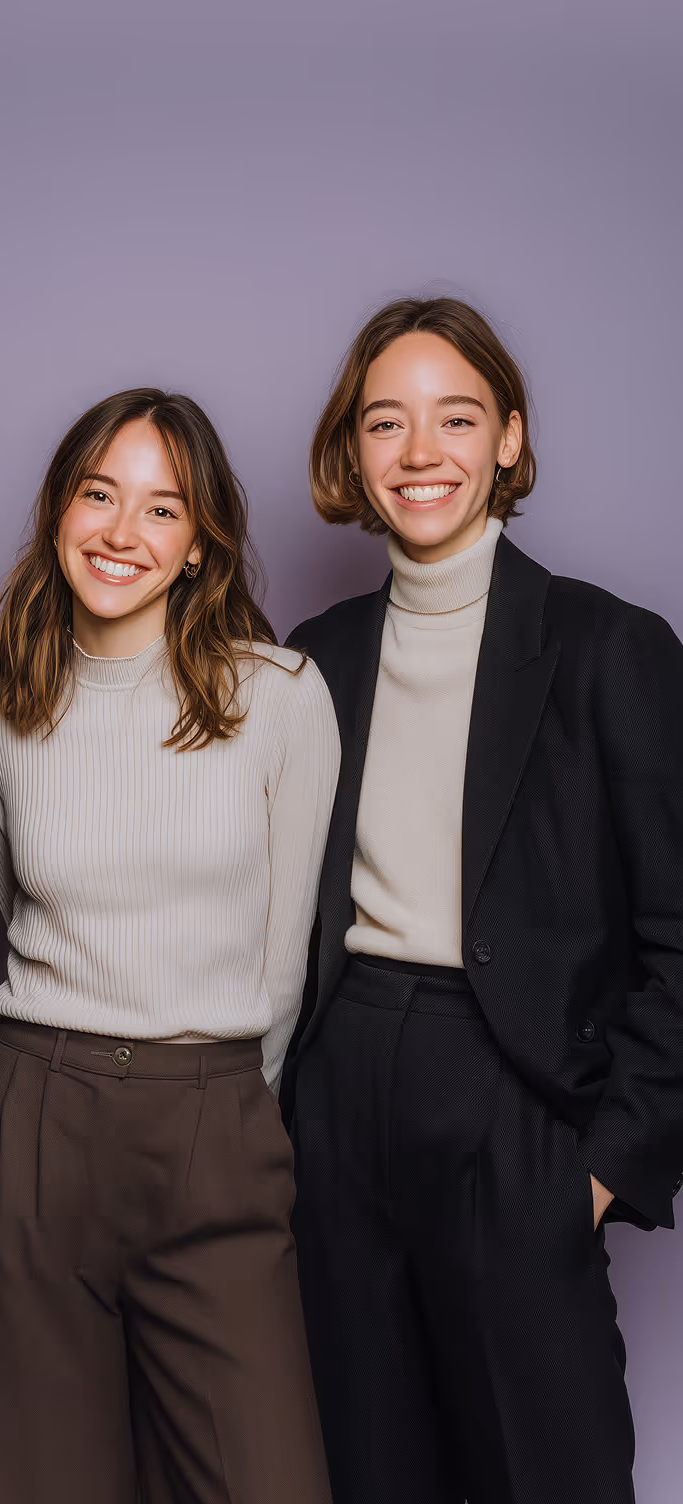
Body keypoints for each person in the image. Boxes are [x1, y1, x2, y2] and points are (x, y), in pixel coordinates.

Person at [285, 297, 683, 1504]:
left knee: (544, 1470)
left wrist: (603, 1168)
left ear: (509, 437)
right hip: (339, 1093)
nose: (420, 454)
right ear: (352, 452)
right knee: (365, 1470)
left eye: (456, 419)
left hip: (514, 1100)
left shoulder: (610, 646)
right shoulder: (317, 655)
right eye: (386, 423)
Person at [0, 387, 338, 1503]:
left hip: (214, 1119)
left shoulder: (282, 698)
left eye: (163, 510)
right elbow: (16, 909)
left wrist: (225, 1116)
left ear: (202, 542)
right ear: (58, 510)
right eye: (98, 494)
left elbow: (284, 957)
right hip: (32, 1119)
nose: (123, 533)